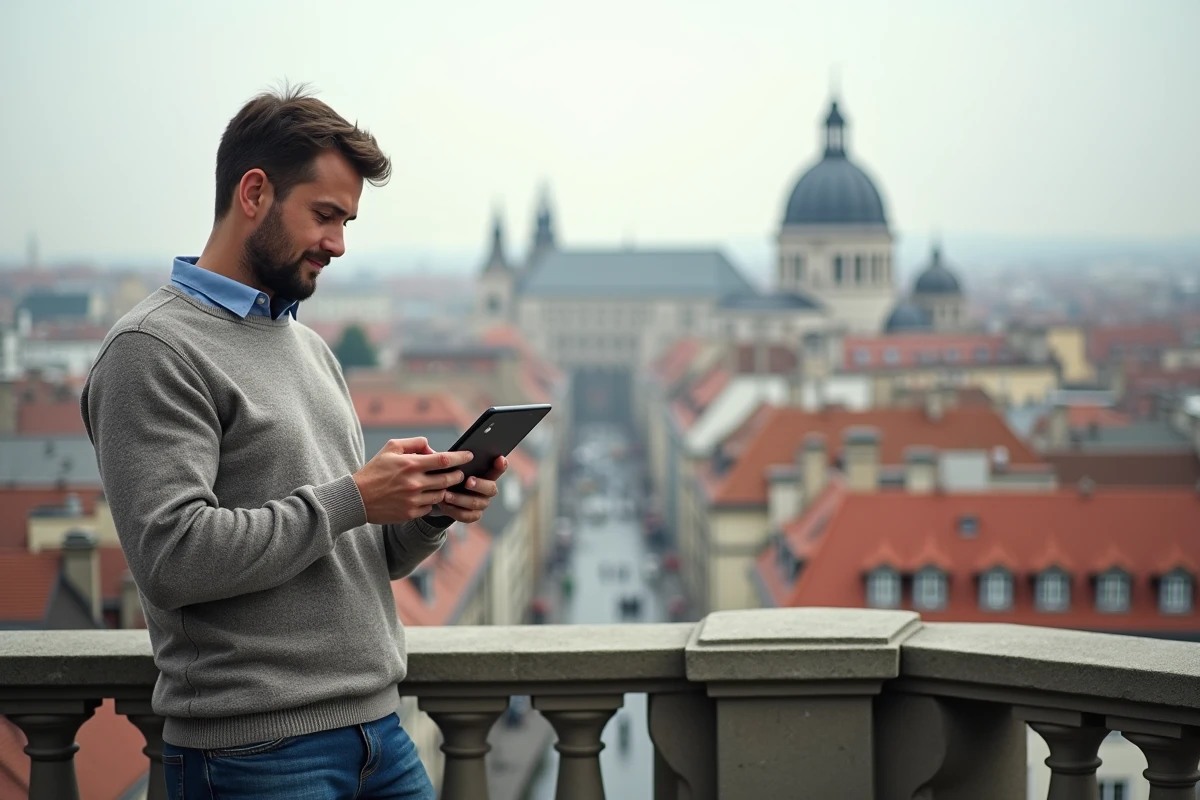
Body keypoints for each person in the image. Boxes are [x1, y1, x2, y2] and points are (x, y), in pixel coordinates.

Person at [81, 85, 505, 800]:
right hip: (253, 752)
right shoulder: (152, 349)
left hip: (379, 734)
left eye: (348, 222)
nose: (339, 244)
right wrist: (352, 496)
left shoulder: (309, 349)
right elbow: (173, 558)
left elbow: (354, 554)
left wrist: (427, 510)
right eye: (326, 215)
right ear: (254, 193)